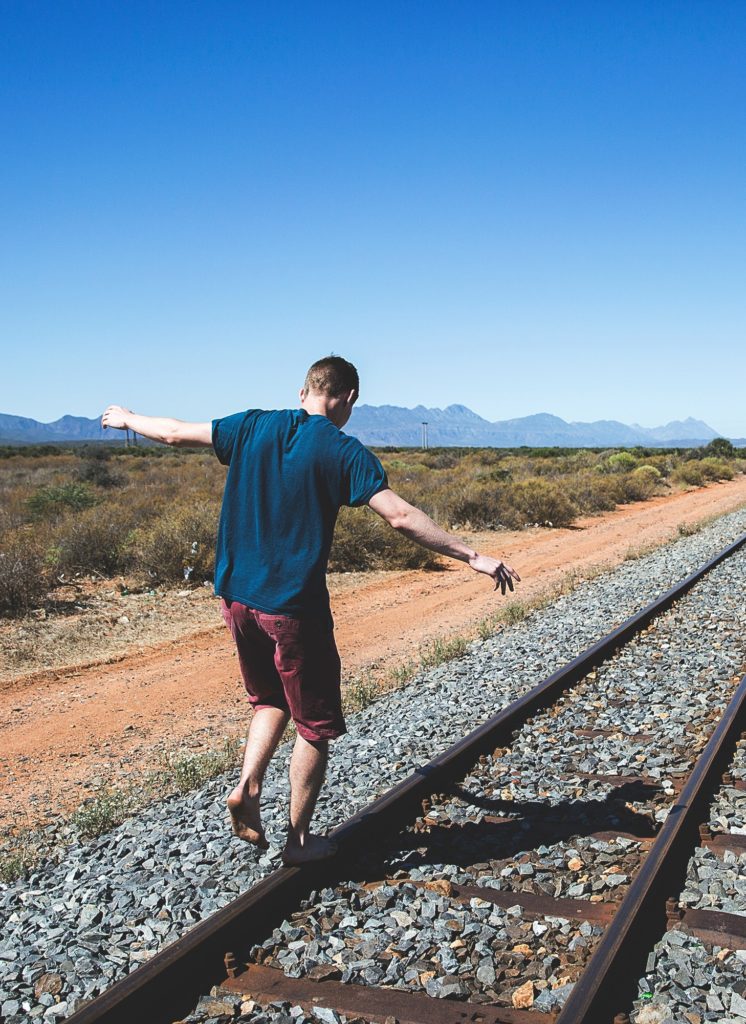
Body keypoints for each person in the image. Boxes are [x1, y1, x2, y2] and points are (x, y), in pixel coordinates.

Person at [102, 355, 519, 865]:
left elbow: (170, 433)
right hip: (294, 608)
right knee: (314, 726)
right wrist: (473, 556)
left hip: (236, 600)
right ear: (346, 399)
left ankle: (249, 788)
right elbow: (401, 517)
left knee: (268, 700)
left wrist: (126, 417)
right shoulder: (344, 451)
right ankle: (299, 842)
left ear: (303, 391)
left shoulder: (253, 425)